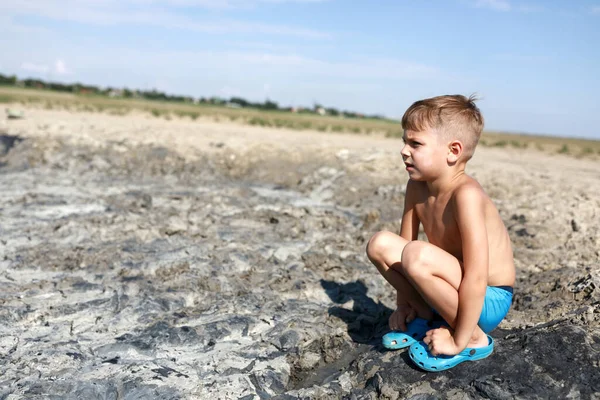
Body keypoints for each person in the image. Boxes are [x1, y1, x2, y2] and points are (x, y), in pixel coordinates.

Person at [365, 94, 515, 371]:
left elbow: (477, 275)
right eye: (404, 142)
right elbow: (402, 249)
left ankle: (473, 337)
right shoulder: (417, 186)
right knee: (380, 244)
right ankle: (423, 315)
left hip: (486, 298)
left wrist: (459, 339)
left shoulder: (466, 195)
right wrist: (404, 306)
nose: (404, 151)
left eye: (415, 143)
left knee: (417, 255)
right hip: (449, 289)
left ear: (453, 151)